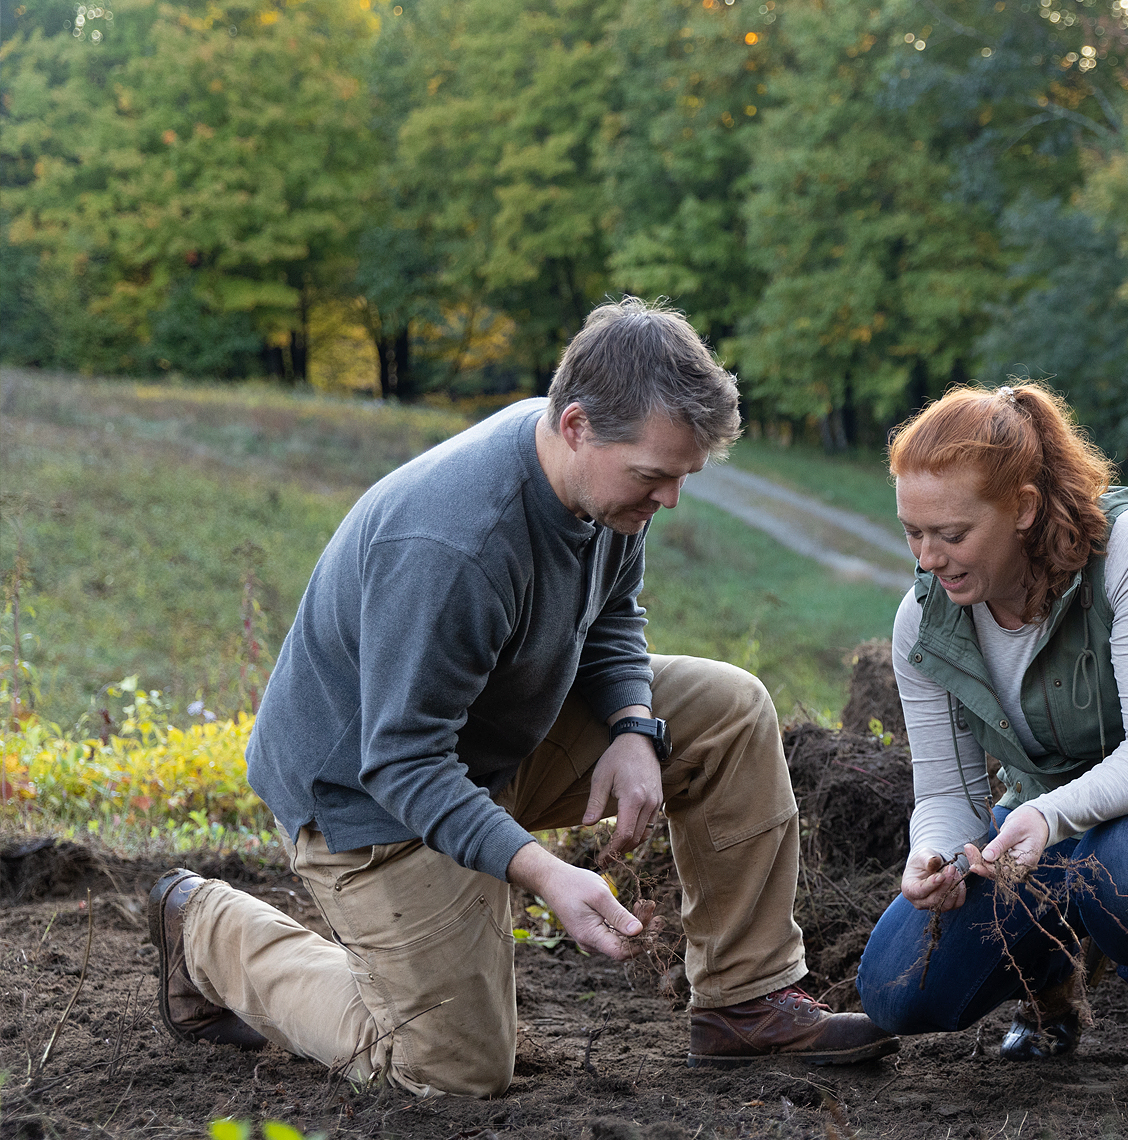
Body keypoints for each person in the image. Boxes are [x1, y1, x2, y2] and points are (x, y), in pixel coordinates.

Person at [145, 298, 895, 1099]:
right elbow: (400, 759)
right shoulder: (453, 545)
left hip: (496, 738)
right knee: (452, 1068)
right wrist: (540, 871)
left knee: (731, 709)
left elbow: (611, 609)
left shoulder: (604, 483)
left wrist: (634, 725)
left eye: (683, 476)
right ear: (574, 425)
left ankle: (745, 1003)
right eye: (654, 476)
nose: (669, 500)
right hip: (368, 799)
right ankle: (209, 933)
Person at [853, 383, 1128, 1103]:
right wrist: (930, 853)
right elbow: (947, 796)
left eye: (953, 534)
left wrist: (1049, 817)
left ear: (1023, 509)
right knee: (899, 989)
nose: (929, 558)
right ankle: (1053, 969)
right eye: (913, 532)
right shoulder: (924, 621)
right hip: (1050, 828)